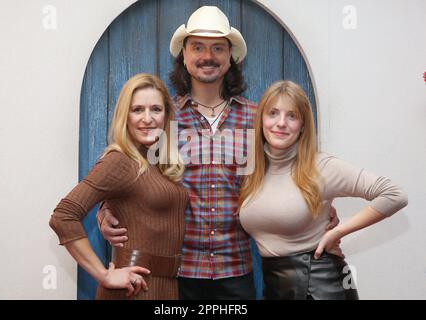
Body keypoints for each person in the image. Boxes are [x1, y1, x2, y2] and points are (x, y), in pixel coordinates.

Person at [97, 6, 338, 300]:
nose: (207, 56)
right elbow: (126, 168)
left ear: (230, 57)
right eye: (197, 47)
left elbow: (291, 169)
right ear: (183, 56)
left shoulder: (256, 119)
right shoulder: (164, 118)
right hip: (177, 272)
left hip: (236, 271)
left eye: (217, 48)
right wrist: (106, 210)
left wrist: (319, 205)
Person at [238, 80, 408, 300]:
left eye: (292, 116)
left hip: (322, 287)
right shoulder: (254, 171)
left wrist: (339, 231)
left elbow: (394, 194)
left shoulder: (321, 167)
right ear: (261, 118)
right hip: (277, 288)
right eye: (273, 113)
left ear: (303, 126)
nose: (281, 123)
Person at [49, 73, 188, 300]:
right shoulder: (120, 160)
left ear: (166, 115)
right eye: (137, 110)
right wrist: (104, 275)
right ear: (125, 116)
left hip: (165, 288)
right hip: (135, 289)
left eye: (155, 109)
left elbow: (136, 204)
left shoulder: (158, 162)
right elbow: (63, 216)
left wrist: (106, 209)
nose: (147, 118)